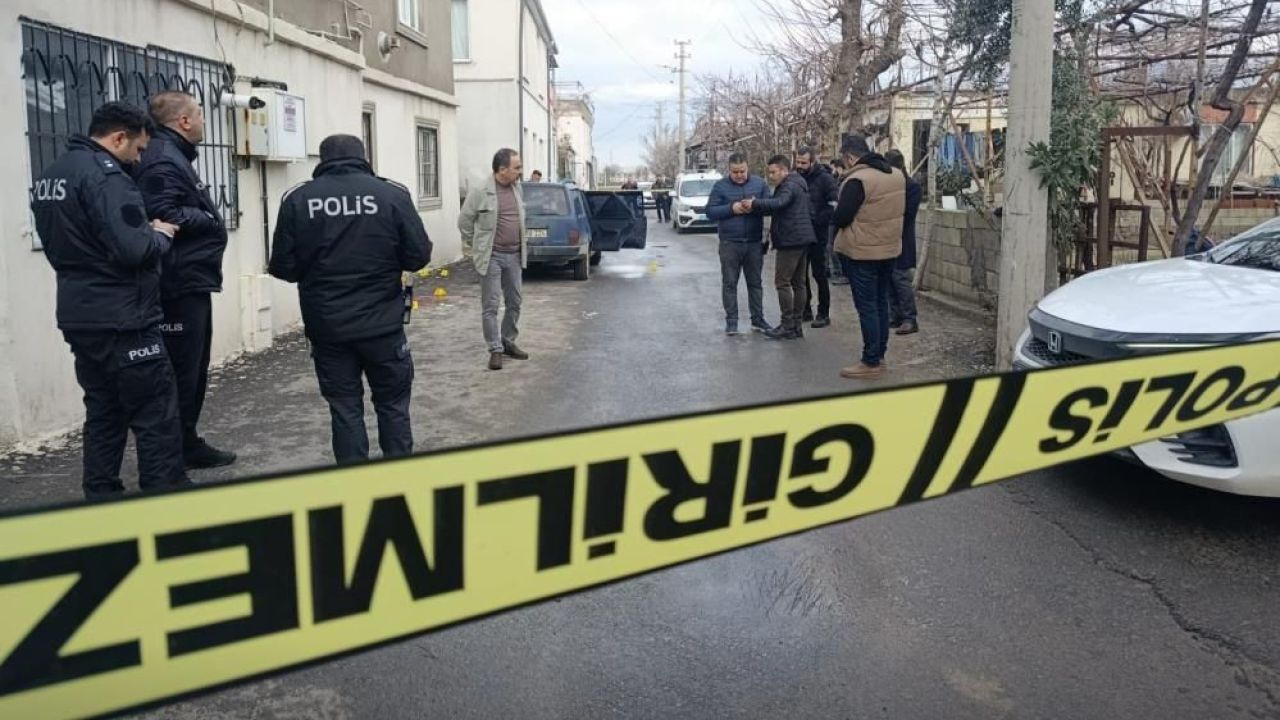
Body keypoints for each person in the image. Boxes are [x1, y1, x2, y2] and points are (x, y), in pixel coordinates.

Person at [30, 101, 188, 498]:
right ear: (119, 138)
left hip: (80, 315)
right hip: (126, 319)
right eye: (138, 149)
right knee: (155, 413)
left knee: (103, 410)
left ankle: (101, 497)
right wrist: (161, 234)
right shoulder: (109, 178)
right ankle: (165, 500)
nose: (139, 160)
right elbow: (135, 250)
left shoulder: (52, 175)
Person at [270, 135, 432, 464]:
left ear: (322, 160)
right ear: (363, 157)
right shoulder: (391, 195)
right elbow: (418, 256)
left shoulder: (298, 199)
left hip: (328, 328)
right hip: (383, 326)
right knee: (393, 405)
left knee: (344, 409)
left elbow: (284, 267)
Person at [135, 91, 236, 469]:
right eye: (201, 114)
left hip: (189, 279)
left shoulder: (172, 155)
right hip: (176, 283)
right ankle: (174, 453)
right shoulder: (163, 159)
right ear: (184, 121)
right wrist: (207, 219)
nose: (205, 121)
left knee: (192, 369)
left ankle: (186, 442)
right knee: (181, 371)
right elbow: (162, 213)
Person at [831, 135, 906, 379]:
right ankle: (879, 356)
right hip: (889, 249)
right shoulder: (896, 175)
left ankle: (870, 361)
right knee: (881, 304)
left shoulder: (858, 180)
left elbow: (842, 217)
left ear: (850, 157)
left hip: (862, 252)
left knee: (867, 307)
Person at [459, 148, 530, 371]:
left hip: (515, 255)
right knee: (490, 305)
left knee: (515, 302)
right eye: (516, 167)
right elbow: (464, 222)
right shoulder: (481, 190)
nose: (520, 171)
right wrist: (477, 248)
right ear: (502, 169)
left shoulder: (517, 188)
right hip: (492, 257)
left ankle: (508, 341)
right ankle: (495, 349)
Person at [742, 155, 817, 340]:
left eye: (773, 172)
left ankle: (787, 324)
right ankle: (796, 325)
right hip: (802, 238)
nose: (771, 176)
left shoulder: (789, 185)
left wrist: (754, 203)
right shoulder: (798, 183)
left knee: (783, 282)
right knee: (799, 283)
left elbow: (779, 203)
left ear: (784, 170)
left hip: (790, 239)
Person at [705, 153, 770, 335]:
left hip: (754, 243)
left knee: (755, 283)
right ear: (729, 170)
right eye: (735, 172)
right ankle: (732, 322)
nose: (739, 175)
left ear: (748, 168)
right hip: (730, 243)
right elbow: (710, 211)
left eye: (742, 171)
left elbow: (770, 205)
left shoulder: (760, 184)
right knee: (730, 283)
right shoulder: (720, 186)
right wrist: (731, 208)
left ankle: (758, 320)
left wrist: (755, 205)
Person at [794, 147, 837, 328]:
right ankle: (805, 309)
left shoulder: (825, 179)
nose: (800, 166)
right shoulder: (795, 178)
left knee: (819, 274)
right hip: (800, 234)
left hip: (818, 234)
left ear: (812, 162)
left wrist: (818, 220)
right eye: (798, 162)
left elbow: (833, 205)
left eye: (804, 163)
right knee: (801, 275)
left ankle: (823, 312)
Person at [884, 149, 922, 335]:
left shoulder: (912, 187)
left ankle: (909, 318)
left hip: (902, 238)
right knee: (889, 278)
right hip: (887, 238)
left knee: (900, 278)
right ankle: (895, 315)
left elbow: (907, 215)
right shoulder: (888, 186)